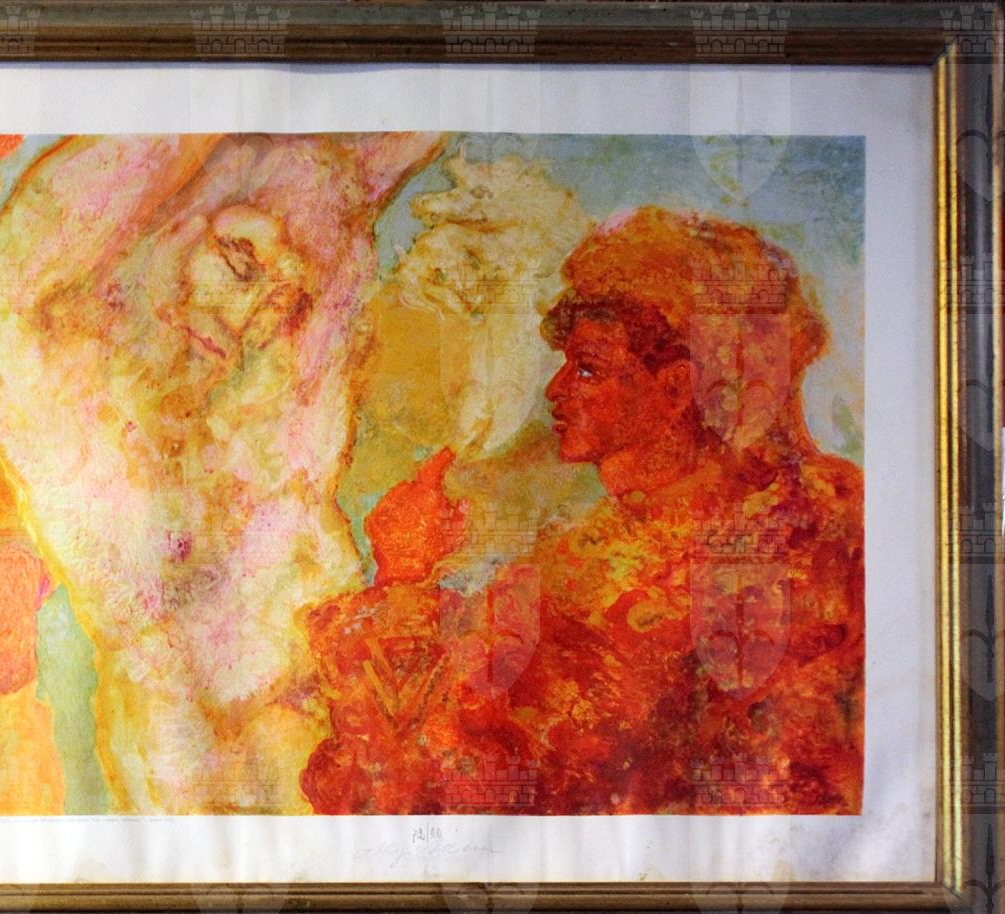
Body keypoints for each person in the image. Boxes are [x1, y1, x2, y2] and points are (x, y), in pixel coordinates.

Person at [301, 207, 864, 814]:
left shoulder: (654, 577)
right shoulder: (803, 510)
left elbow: (441, 789)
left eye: (588, 368)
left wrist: (402, 577)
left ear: (676, 390)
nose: (556, 389)